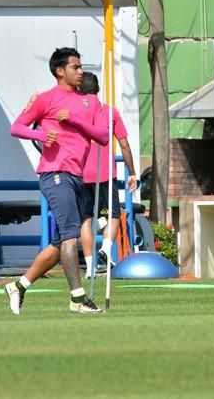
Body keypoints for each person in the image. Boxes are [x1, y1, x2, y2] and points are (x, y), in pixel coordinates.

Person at [5, 47, 109, 314]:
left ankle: (19, 285)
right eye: (75, 67)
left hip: (77, 176)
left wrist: (74, 119)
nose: (81, 71)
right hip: (55, 174)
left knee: (59, 243)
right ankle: (77, 299)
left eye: (81, 66)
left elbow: (103, 136)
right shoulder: (44, 99)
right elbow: (16, 127)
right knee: (70, 238)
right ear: (59, 71)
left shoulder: (90, 102)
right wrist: (41, 137)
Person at [78, 72, 137, 278]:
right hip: (105, 173)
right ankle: (105, 247)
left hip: (81, 172)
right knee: (113, 214)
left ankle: (89, 266)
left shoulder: (74, 112)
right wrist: (132, 172)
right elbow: (124, 144)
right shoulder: (110, 112)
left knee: (85, 219)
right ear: (98, 90)